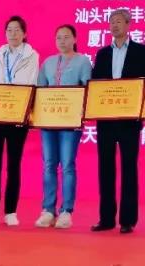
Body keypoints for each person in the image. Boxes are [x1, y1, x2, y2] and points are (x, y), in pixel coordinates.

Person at [90, 8, 145, 234]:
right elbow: (96, 83)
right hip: (106, 120)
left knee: (129, 168)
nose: (114, 25)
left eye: (118, 21)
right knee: (105, 168)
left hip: (129, 120)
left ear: (128, 24)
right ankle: (106, 218)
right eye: (111, 22)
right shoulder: (102, 53)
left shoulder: (141, 51)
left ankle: (127, 220)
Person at [0, 15, 39, 227]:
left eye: (17, 30)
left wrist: (23, 110)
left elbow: (31, 83)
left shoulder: (32, 56)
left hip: (17, 117)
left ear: (24, 33)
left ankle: (11, 211)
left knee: (14, 164)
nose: (13, 34)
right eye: (9, 30)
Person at [35, 24, 92, 230]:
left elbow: (88, 89)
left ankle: (66, 210)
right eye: (58, 37)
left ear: (75, 39)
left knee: (67, 164)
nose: (62, 41)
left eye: (66, 37)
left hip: (70, 120)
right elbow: (40, 89)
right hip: (49, 120)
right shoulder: (48, 62)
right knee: (49, 164)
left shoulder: (83, 61)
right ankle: (48, 210)